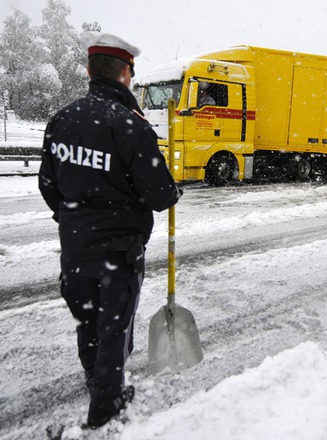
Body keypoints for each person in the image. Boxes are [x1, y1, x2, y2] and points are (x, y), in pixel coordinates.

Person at [38, 32, 181, 429]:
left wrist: (76, 220)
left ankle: (96, 381)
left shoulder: (61, 120)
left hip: (75, 246)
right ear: (125, 74)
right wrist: (173, 189)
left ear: (89, 71)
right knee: (114, 329)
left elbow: (48, 185)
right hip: (120, 250)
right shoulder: (130, 126)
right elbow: (159, 195)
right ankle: (105, 407)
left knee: (87, 321)